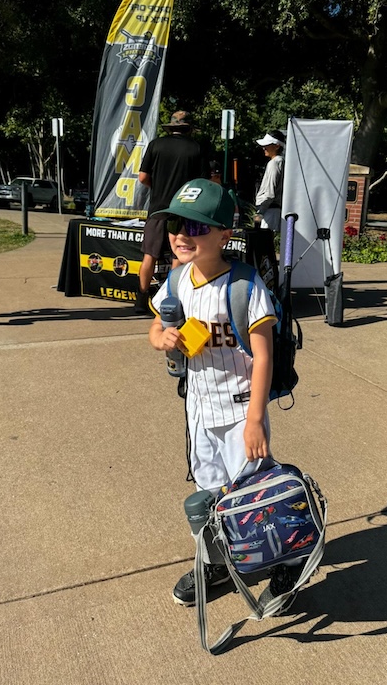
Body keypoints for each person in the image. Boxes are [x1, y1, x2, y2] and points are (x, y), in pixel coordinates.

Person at [148, 178, 298, 610]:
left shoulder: (245, 287)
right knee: (210, 492)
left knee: (256, 490)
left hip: (239, 410)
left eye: (195, 228)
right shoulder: (177, 281)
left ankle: (285, 562)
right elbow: (156, 325)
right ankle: (218, 562)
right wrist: (161, 339)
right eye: (175, 224)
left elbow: (264, 358)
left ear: (223, 235)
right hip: (199, 409)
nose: (181, 235)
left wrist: (255, 420)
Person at [134, 110, 207, 314]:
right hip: (184, 211)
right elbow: (202, 183)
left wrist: (156, 187)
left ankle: (141, 298)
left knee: (150, 255)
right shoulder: (196, 148)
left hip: (157, 209)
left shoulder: (156, 144)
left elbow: (142, 177)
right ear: (188, 128)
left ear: (171, 127)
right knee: (179, 256)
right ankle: (171, 300)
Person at [254, 129, 286, 232]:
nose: (264, 148)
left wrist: (260, 213)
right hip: (274, 209)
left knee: (265, 241)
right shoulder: (281, 162)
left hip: (270, 210)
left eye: (267, 145)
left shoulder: (274, 163)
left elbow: (269, 192)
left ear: (277, 146)